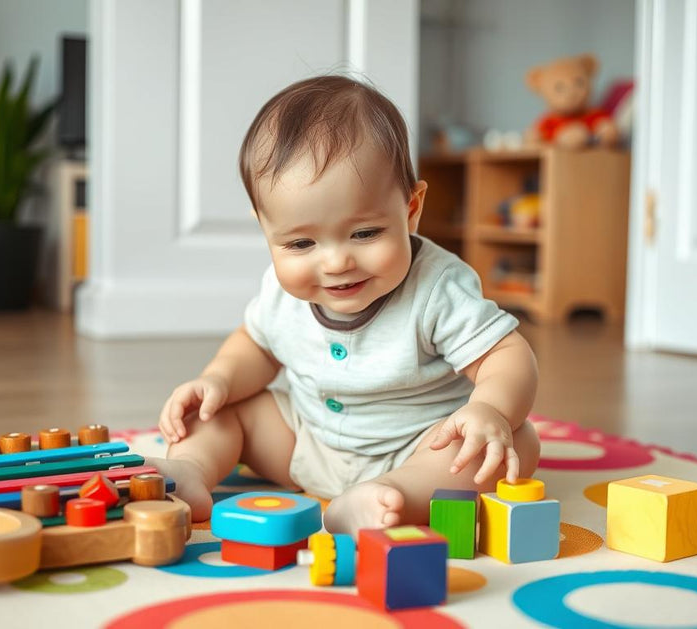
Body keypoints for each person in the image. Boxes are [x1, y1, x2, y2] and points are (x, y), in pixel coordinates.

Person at [155, 74, 540, 536]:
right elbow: (255, 346)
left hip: (418, 450)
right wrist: (217, 379)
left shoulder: (437, 287)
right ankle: (192, 470)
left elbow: (506, 355)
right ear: (265, 228)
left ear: (411, 209)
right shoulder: (279, 291)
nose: (337, 262)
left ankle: (393, 496)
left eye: (365, 233)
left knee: (513, 442)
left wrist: (491, 409)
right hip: (305, 441)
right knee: (215, 410)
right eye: (301, 243)